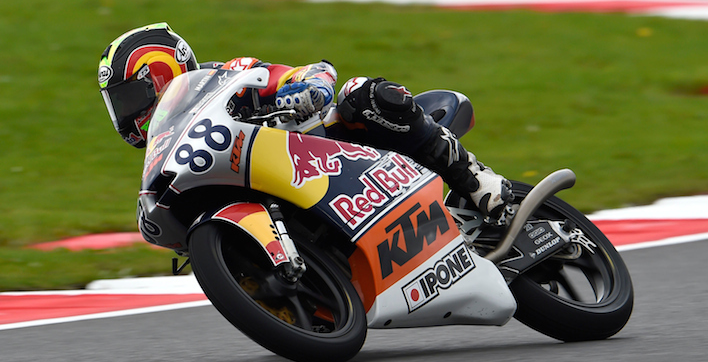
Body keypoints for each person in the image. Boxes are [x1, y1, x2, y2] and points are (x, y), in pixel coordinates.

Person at [98, 23, 512, 218]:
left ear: (159, 74)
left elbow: (308, 72)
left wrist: (307, 87)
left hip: (332, 154)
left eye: (130, 96)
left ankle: (475, 179)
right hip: (294, 195)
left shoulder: (228, 76)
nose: (127, 112)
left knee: (363, 93)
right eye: (117, 103)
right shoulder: (165, 151)